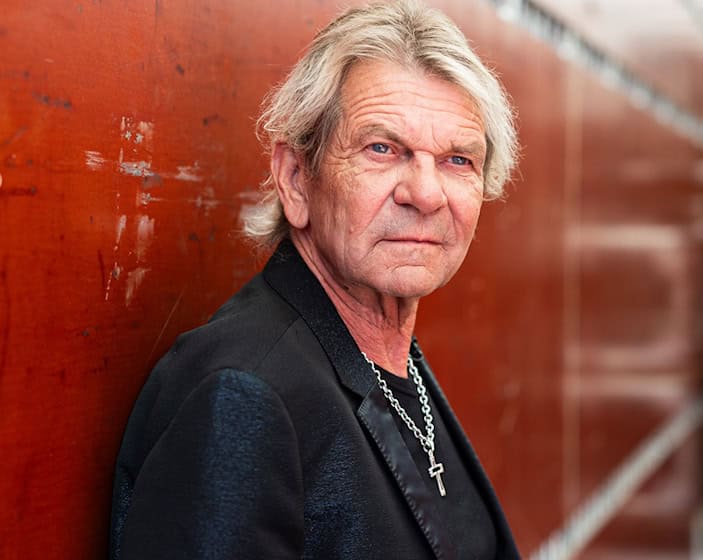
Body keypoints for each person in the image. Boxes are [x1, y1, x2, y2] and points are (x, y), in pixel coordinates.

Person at [108, 1, 520, 558]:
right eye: (382, 148)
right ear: (297, 179)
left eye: (457, 160)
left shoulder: (388, 359)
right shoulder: (242, 396)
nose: (425, 194)